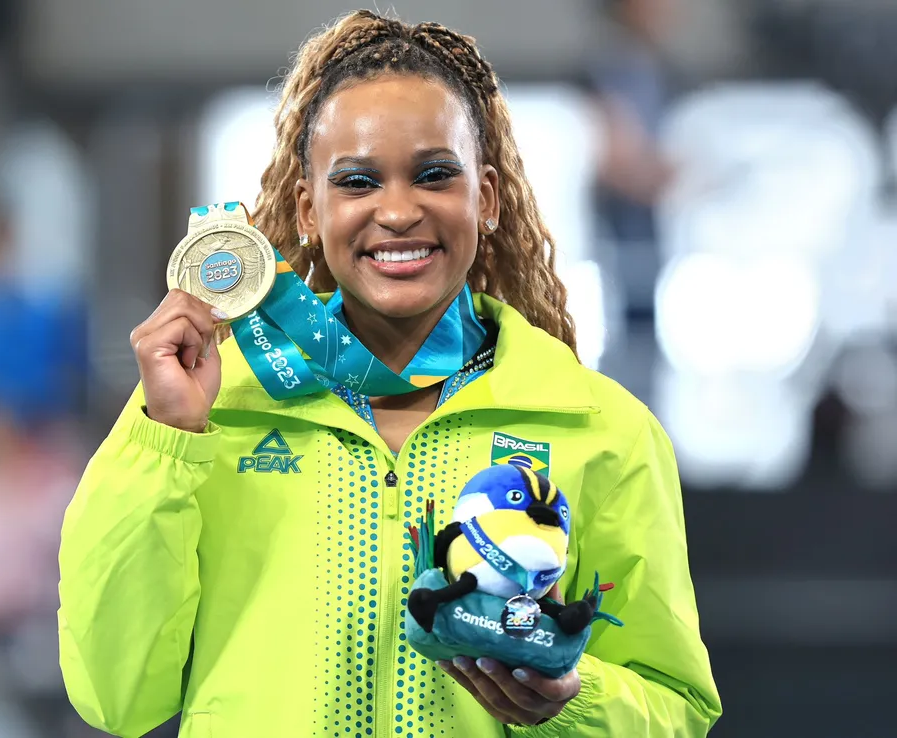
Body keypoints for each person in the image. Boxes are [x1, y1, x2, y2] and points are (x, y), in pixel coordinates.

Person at [57, 10, 721, 737]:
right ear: (309, 209)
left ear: (487, 199)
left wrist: (574, 696)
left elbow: (675, 710)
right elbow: (116, 695)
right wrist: (167, 442)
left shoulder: (603, 430)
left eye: (435, 175)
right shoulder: (207, 411)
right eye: (358, 182)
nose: (398, 210)